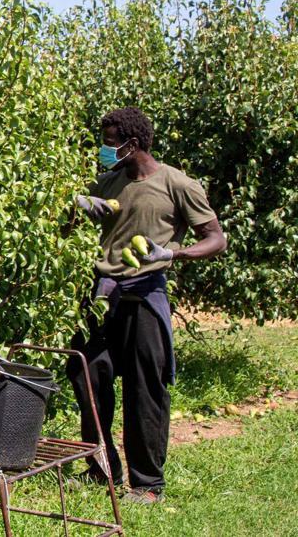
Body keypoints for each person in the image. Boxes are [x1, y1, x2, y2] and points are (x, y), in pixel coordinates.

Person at [69, 106, 227, 505]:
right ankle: (100, 469)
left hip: (145, 295)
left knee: (145, 390)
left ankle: (146, 484)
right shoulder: (108, 181)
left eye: (109, 143)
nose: (104, 150)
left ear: (132, 144)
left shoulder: (177, 184)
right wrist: (77, 207)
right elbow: (66, 223)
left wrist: (172, 254)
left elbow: (215, 238)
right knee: (87, 379)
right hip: (101, 296)